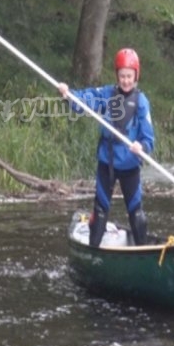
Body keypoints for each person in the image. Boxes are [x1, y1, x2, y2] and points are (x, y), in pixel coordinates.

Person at [58, 48, 155, 247]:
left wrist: (142, 146)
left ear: (136, 76)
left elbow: (148, 138)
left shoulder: (141, 102)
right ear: (117, 75)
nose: (126, 80)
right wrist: (69, 95)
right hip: (107, 164)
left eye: (129, 76)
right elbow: (86, 99)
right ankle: (93, 250)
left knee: (136, 212)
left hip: (130, 166)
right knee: (100, 210)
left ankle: (143, 251)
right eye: (122, 76)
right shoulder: (108, 95)